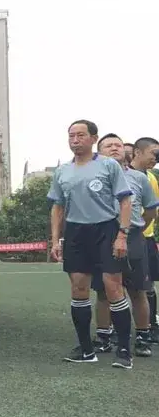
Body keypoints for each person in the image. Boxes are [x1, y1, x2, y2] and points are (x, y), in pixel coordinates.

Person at [48, 120, 134, 368]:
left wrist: (122, 235)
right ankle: (87, 350)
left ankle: (124, 352)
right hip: (76, 233)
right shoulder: (62, 171)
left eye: (80, 135)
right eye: (71, 136)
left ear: (93, 139)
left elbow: (125, 201)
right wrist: (56, 239)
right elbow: (57, 207)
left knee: (113, 288)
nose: (75, 140)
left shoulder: (108, 165)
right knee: (78, 289)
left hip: (106, 229)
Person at [87, 134, 157, 359]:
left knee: (138, 290)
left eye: (118, 144)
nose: (115, 148)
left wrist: (134, 228)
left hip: (133, 238)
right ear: (99, 152)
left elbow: (151, 210)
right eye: (108, 145)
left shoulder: (138, 178)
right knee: (103, 292)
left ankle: (142, 337)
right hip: (101, 238)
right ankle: (104, 337)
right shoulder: (90, 177)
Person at [130, 136, 159, 340]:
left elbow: (153, 209)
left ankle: (150, 327)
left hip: (145, 238)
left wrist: (141, 229)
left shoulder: (151, 178)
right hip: (124, 237)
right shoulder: (121, 175)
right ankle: (110, 331)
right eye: (153, 153)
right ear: (138, 152)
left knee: (147, 286)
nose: (156, 158)